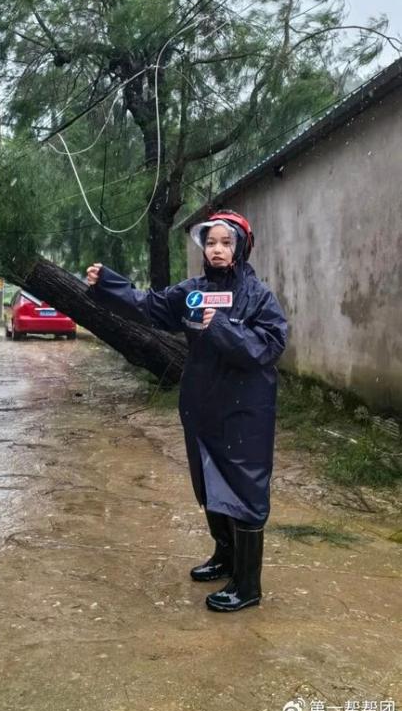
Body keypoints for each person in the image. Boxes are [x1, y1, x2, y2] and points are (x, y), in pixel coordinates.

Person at [86, 210, 287, 613]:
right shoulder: (192, 292)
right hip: (202, 406)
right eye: (210, 243)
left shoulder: (258, 296)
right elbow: (150, 306)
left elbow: (269, 346)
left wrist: (221, 326)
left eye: (225, 243)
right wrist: (106, 284)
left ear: (241, 248)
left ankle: (248, 585)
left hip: (245, 410)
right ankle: (225, 556)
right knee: (211, 483)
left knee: (245, 490)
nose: (216, 250)